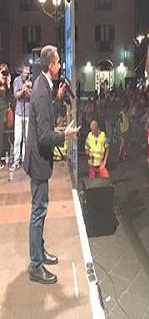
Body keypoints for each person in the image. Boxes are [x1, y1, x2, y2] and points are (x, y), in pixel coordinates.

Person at [24, 45, 80, 284]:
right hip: (38, 160)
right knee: (38, 212)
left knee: (41, 210)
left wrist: (57, 99)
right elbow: (45, 135)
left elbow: (46, 116)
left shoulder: (44, 86)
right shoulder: (40, 90)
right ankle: (36, 265)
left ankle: (40, 251)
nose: (60, 66)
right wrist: (65, 134)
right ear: (51, 65)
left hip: (39, 159)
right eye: (58, 62)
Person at [12, 63, 32, 171]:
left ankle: (25, 159)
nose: (27, 74)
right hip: (19, 112)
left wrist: (28, 91)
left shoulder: (31, 81)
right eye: (26, 71)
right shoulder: (17, 81)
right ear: (22, 71)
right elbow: (16, 95)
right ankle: (16, 160)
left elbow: (32, 96)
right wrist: (23, 90)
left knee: (26, 138)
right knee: (18, 138)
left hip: (28, 112)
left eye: (28, 72)